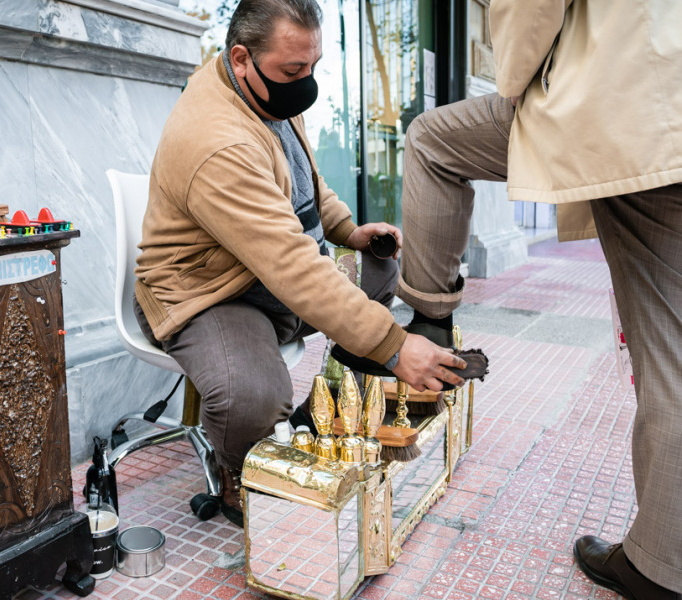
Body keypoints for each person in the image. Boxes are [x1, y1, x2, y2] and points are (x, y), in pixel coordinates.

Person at [396, 2, 682, 599]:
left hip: (629, 102)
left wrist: (516, 81)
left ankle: (430, 322)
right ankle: (659, 561)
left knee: (430, 139)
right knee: (680, 348)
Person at [133, 0, 465, 527]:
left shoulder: (267, 92)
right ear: (241, 58)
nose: (306, 83)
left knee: (379, 267)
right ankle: (241, 482)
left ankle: (331, 396)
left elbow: (304, 180)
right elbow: (292, 265)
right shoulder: (215, 141)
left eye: (313, 67)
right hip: (214, 292)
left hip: (271, 274)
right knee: (254, 399)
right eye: (294, 71)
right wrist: (395, 347)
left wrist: (347, 231)